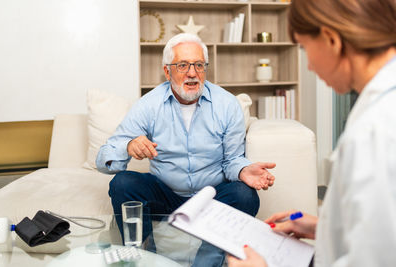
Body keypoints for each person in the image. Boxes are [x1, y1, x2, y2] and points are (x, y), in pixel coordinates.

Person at [228, 0, 396, 266]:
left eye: (305, 48)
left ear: (331, 39)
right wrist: (326, 229)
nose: (309, 67)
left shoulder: (376, 128)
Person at [96, 33, 276, 267]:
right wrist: (128, 146)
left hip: (212, 198)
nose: (192, 73)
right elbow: (103, 158)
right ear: (167, 71)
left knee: (245, 195)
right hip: (166, 195)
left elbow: (232, 160)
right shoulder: (148, 105)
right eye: (183, 65)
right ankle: (147, 260)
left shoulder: (227, 104)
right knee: (123, 183)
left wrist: (243, 170)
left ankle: (206, 263)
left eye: (199, 65)